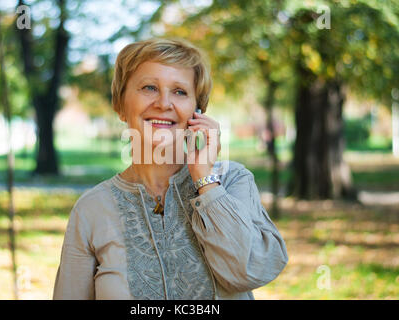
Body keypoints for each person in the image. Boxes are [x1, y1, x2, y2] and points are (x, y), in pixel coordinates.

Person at [53, 38, 288, 300]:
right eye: (149, 87)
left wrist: (205, 181)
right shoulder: (92, 209)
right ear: (120, 105)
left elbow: (252, 271)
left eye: (179, 92)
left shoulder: (232, 182)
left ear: (197, 111)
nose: (164, 103)